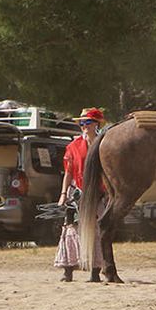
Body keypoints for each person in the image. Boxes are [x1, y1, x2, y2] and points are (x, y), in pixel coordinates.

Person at [55, 108, 105, 282]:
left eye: (88, 122)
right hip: (77, 192)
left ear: (96, 124)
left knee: (95, 231)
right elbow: (68, 172)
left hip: (97, 193)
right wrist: (63, 193)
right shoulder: (73, 146)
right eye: (82, 123)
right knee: (71, 229)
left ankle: (95, 271)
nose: (84, 126)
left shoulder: (104, 145)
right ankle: (68, 270)